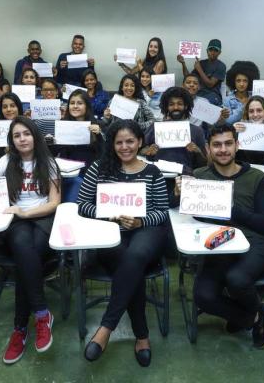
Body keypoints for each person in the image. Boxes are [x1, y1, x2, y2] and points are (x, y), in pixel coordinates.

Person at [77, 119, 169, 367]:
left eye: (130, 141)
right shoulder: (99, 168)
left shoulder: (153, 172)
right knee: (130, 266)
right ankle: (142, 335)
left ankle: (106, 328)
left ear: (140, 142)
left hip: (146, 231)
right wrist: (107, 215)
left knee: (135, 255)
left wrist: (140, 221)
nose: (125, 146)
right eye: (119, 142)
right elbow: (82, 206)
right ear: (112, 144)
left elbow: (162, 211)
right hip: (109, 231)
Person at [175, 123, 264, 349]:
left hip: (253, 243)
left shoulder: (256, 177)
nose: (223, 150)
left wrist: (231, 208)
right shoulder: (199, 175)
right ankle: (256, 315)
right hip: (217, 244)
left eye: (228, 143)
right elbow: (187, 215)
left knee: (237, 280)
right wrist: (179, 193)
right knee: (203, 295)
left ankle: (243, 316)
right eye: (217, 145)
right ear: (208, 148)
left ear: (237, 145)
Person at [0, 116, 61, 364]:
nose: (22, 139)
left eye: (26, 133)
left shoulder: (48, 163)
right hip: (14, 222)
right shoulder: (6, 161)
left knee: (26, 259)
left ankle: (20, 329)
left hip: (42, 219)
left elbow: (54, 203)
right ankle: (41, 315)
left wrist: (25, 212)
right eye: (16, 135)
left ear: (35, 136)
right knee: (24, 246)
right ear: (11, 140)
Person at [142, 86, 207, 175]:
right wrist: (148, 151)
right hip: (158, 177)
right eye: (171, 104)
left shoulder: (197, 131)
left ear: (186, 106)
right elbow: (139, 149)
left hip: (185, 177)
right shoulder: (155, 127)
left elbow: (204, 164)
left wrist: (198, 152)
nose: (175, 107)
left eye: (180, 104)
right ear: (167, 107)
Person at [59, 89, 104, 202]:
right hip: (66, 175)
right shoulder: (62, 125)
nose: (75, 106)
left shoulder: (98, 126)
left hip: (89, 175)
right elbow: (56, 153)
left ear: (87, 106)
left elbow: (103, 153)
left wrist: (99, 135)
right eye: (72, 103)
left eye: (79, 103)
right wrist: (52, 141)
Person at [178, 39, 226, 106]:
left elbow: (210, 84)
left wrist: (199, 69)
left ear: (219, 52)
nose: (212, 52)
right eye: (211, 50)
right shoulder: (202, 63)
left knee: (201, 105)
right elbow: (188, 77)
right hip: (198, 93)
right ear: (207, 51)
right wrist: (183, 63)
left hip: (212, 95)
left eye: (216, 50)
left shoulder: (221, 66)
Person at [0, 92, 23, 163]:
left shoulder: (27, 125)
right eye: (5, 107)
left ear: (18, 107)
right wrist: (4, 152)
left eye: (12, 106)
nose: (8, 109)